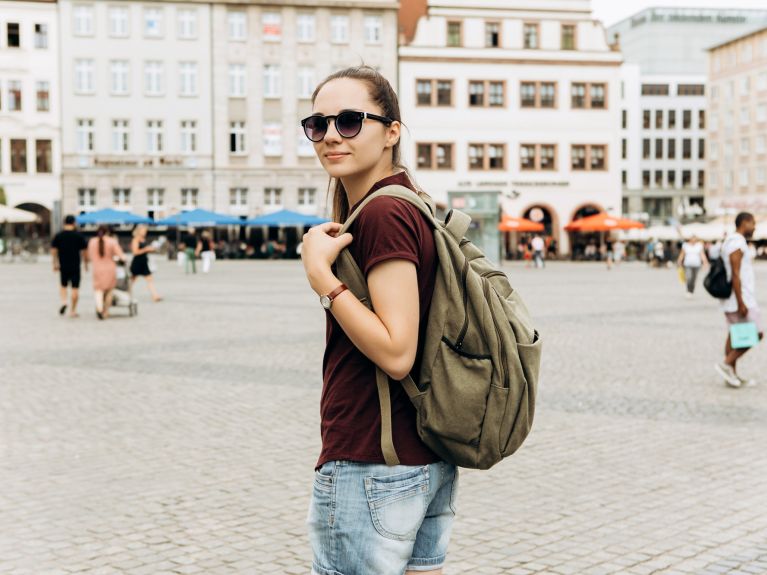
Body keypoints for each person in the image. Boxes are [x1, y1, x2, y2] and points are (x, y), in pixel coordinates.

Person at [299, 66, 457, 575]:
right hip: (423, 458)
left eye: (349, 121)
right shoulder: (411, 203)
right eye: (317, 124)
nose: (330, 136)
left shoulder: (383, 213)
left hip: (372, 459)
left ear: (392, 131)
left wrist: (322, 278)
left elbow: (396, 351)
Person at [714, 213, 763, 388]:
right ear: (744, 223)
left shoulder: (732, 241)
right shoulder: (736, 243)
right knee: (757, 334)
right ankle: (727, 364)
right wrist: (741, 302)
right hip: (740, 299)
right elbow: (735, 274)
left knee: (734, 335)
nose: (755, 227)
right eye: (753, 223)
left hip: (735, 299)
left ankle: (731, 374)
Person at [50, 215, 88, 317]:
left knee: (63, 286)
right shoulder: (79, 236)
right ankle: (73, 310)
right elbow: (85, 252)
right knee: (75, 288)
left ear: (64, 223)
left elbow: (53, 251)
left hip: (63, 265)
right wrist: (85, 264)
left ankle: (64, 302)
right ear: (74, 223)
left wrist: (54, 263)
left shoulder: (59, 235)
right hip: (75, 265)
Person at [87, 225, 125, 319]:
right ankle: (106, 311)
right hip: (110, 269)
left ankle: (99, 308)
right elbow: (122, 256)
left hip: (97, 269)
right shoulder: (112, 241)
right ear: (107, 232)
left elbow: (89, 255)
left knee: (98, 290)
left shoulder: (92, 241)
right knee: (109, 291)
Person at [130, 224, 162, 301]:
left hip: (144, 262)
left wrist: (151, 249)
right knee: (132, 280)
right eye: (143, 231)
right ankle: (126, 293)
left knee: (149, 279)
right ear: (139, 231)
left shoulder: (143, 239)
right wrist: (146, 249)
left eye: (145, 231)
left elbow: (145, 250)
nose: (145, 232)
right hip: (137, 262)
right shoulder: (135, 239)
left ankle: (155, 296)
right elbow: (135, 252)